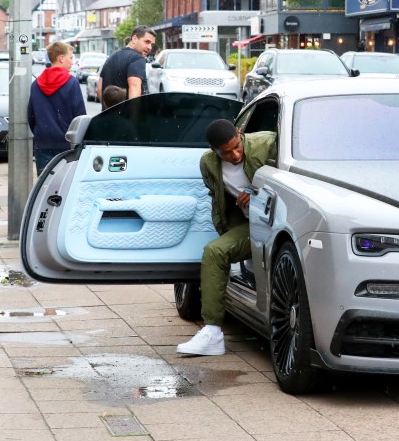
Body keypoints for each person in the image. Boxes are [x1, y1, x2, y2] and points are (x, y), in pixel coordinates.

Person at [177, 119, 276, 356]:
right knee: (214, 252)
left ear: (240, 133)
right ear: (215, 151)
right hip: (249, 226)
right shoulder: (209, 164)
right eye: (226, 152)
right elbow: (218, 197)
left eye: (237, 146)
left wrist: (257, 196)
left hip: (278, 222)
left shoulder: (268, 143)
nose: (234, 155)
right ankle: (212, 333)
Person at [27, 41, 86, 175]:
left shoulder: (36, 84)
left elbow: (31, 115)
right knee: (65, 185)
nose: (72, 62)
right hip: (67, 144)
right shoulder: (71, 83)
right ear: (61, 58)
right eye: (70, 58)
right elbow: (80, 116)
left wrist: (39, 132)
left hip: (43, 142)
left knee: (44, 184)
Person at [96, 25, 156, 101]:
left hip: (109, 112)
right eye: (147, 42)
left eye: (152, 44)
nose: (150, 47)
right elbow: (134, 91)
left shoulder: (111, 57)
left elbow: (99, 89)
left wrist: (109, 110)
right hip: (127, 112)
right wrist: (134, 112)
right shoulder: (137, 59)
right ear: (134, 39)